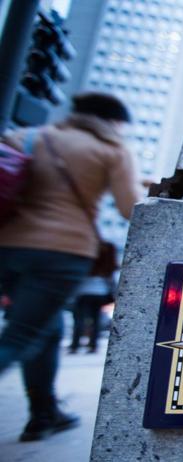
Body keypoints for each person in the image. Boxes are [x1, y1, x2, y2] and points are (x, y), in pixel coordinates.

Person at [0, 92, 139, 442]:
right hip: (63, 251)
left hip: (9, 245)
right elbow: (129, 207)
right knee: (21, 335)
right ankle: (44, 412)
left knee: (46, 330)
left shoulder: (29, 137)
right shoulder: (109, 149)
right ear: (112, 121)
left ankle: (44, 413)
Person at [69, 274, 115, 354]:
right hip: (100, 294)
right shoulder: (104, 267)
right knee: (95, 322)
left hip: (83, 294)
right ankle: (93, 346)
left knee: (79, 321)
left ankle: (75, 346)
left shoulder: (86, 265)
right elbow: (110, 281)